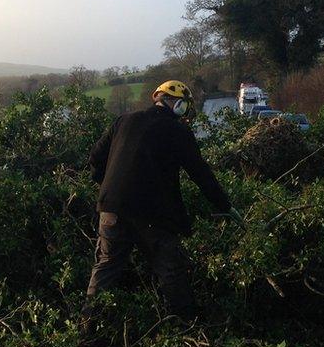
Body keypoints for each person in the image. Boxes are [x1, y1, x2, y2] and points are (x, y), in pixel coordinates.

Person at [86, 80, 245, 318]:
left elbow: (95, 160)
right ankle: (184, 325)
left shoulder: (123, 120)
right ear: (179, 105)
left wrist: (113, 190)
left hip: (111, 209)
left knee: (106, 267)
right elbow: (200, 173)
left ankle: (88, 328)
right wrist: (225, 205)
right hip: (153, 214)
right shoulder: (177, 131)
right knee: (170, 270)